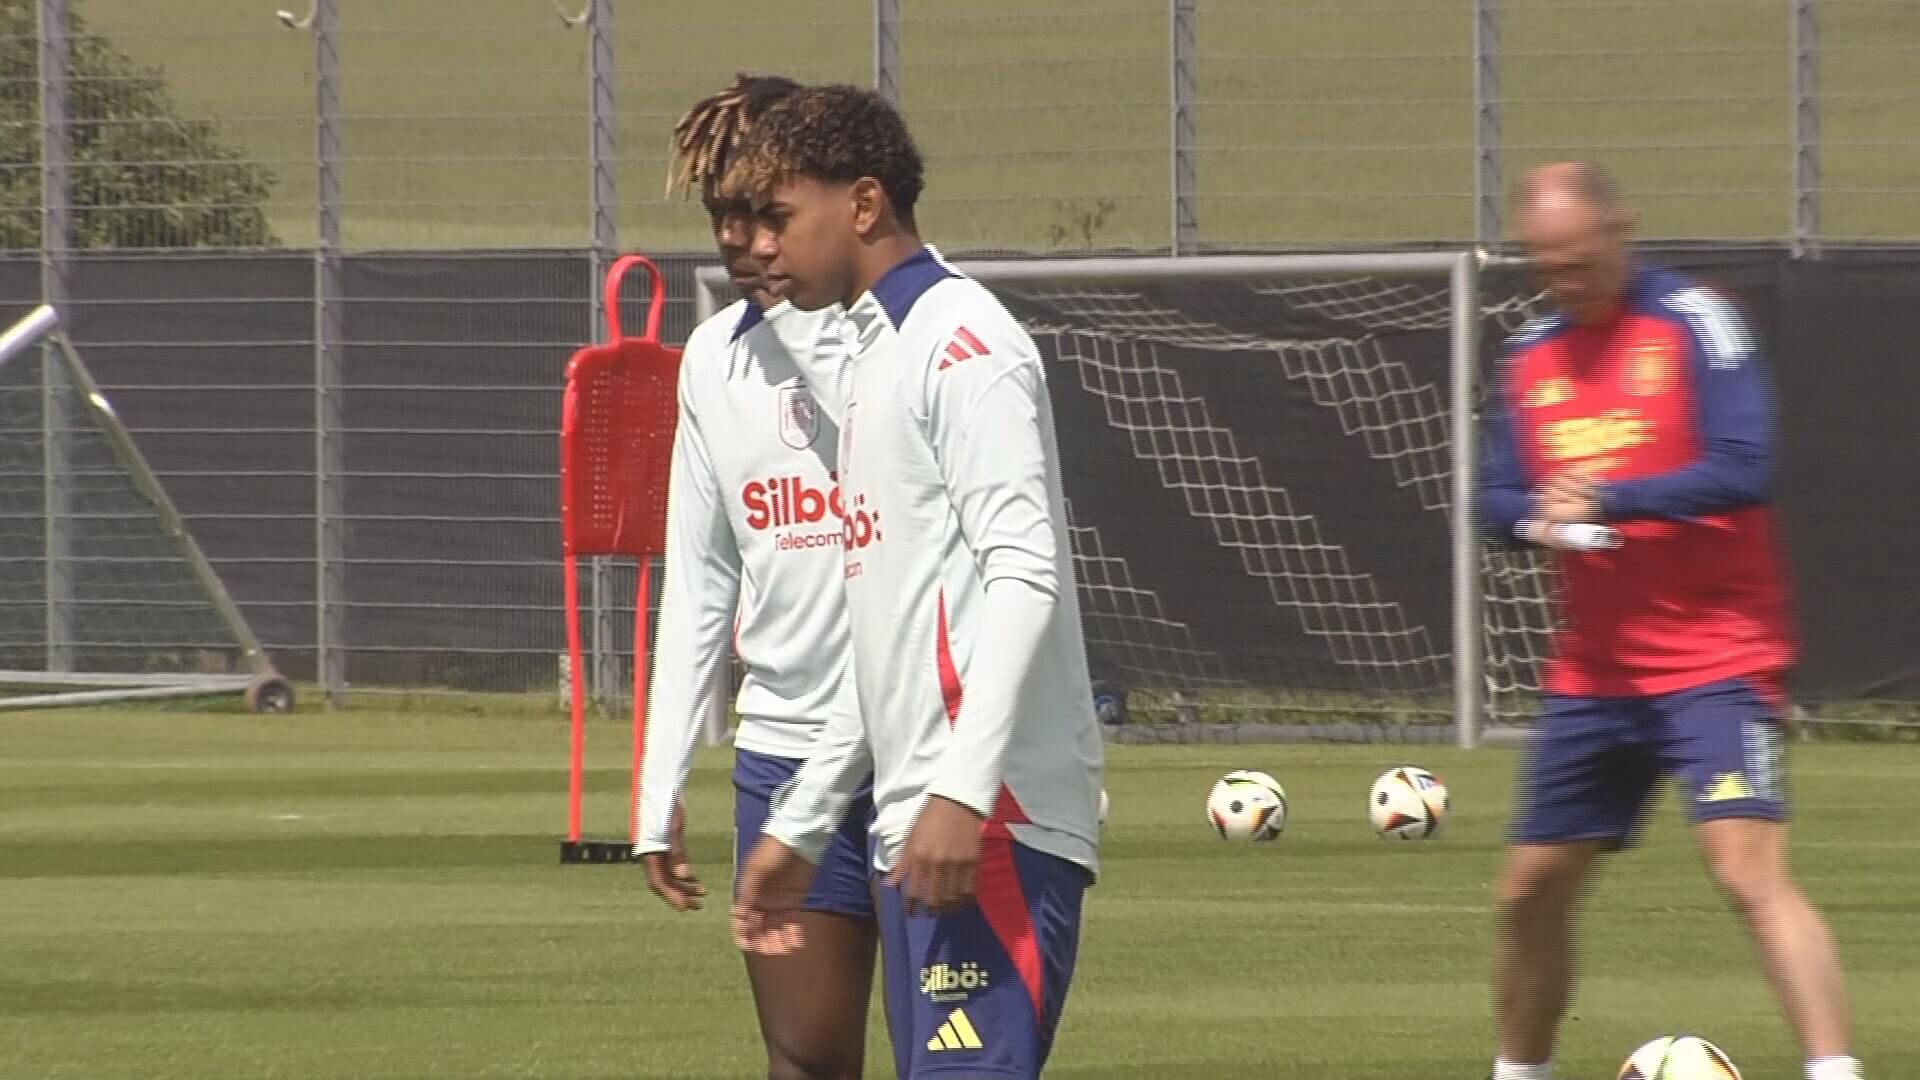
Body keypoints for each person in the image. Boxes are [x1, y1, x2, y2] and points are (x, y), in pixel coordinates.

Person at [722, 84, 1105, 1080]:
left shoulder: (964, 346)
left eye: (780, 215)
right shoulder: (869, 355)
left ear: (861, 205)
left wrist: (964, 795)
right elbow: (886, 636)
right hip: (922, 816)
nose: (761, 244)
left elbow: (1027, 577)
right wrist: (806, 822)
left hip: (995, 818)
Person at [1478, 161, 1862, 1080]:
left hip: (1714, 659)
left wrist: (1606, 496)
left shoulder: (1694, 322)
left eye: (1578, 261)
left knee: (1746, 874)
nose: (1565, 282)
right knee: (1529, 891)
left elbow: (1745, 462)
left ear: (1622, 228)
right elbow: (1493, 498)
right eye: (1546, 266)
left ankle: (1834, 1071)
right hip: (1595, 674)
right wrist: (1542, 518)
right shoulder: (1530, 356)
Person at [631, 73, 876, 1080]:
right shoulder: (711, 363)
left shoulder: (903, 342)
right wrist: (658, 788)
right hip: (780, 753)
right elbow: (698, 583)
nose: (738, 234)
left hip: (922, 755)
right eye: (721, 211)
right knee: (806, 1062)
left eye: (760, 206)